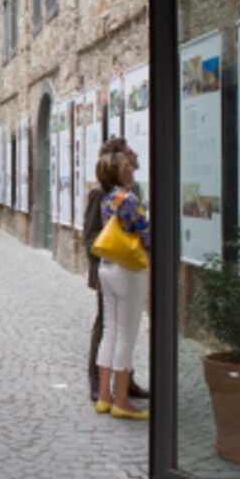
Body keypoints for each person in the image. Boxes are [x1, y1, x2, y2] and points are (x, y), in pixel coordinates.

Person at [83, 138, 150, 402]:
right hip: (109, 269)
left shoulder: (134, 188)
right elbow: (90, 235)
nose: (134, 156)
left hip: (129, 265)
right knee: (107, 326)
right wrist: (98, 270)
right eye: (129, 153)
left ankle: (126, 380)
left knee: (125, 328)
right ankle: (98, 384)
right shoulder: (100, 192)